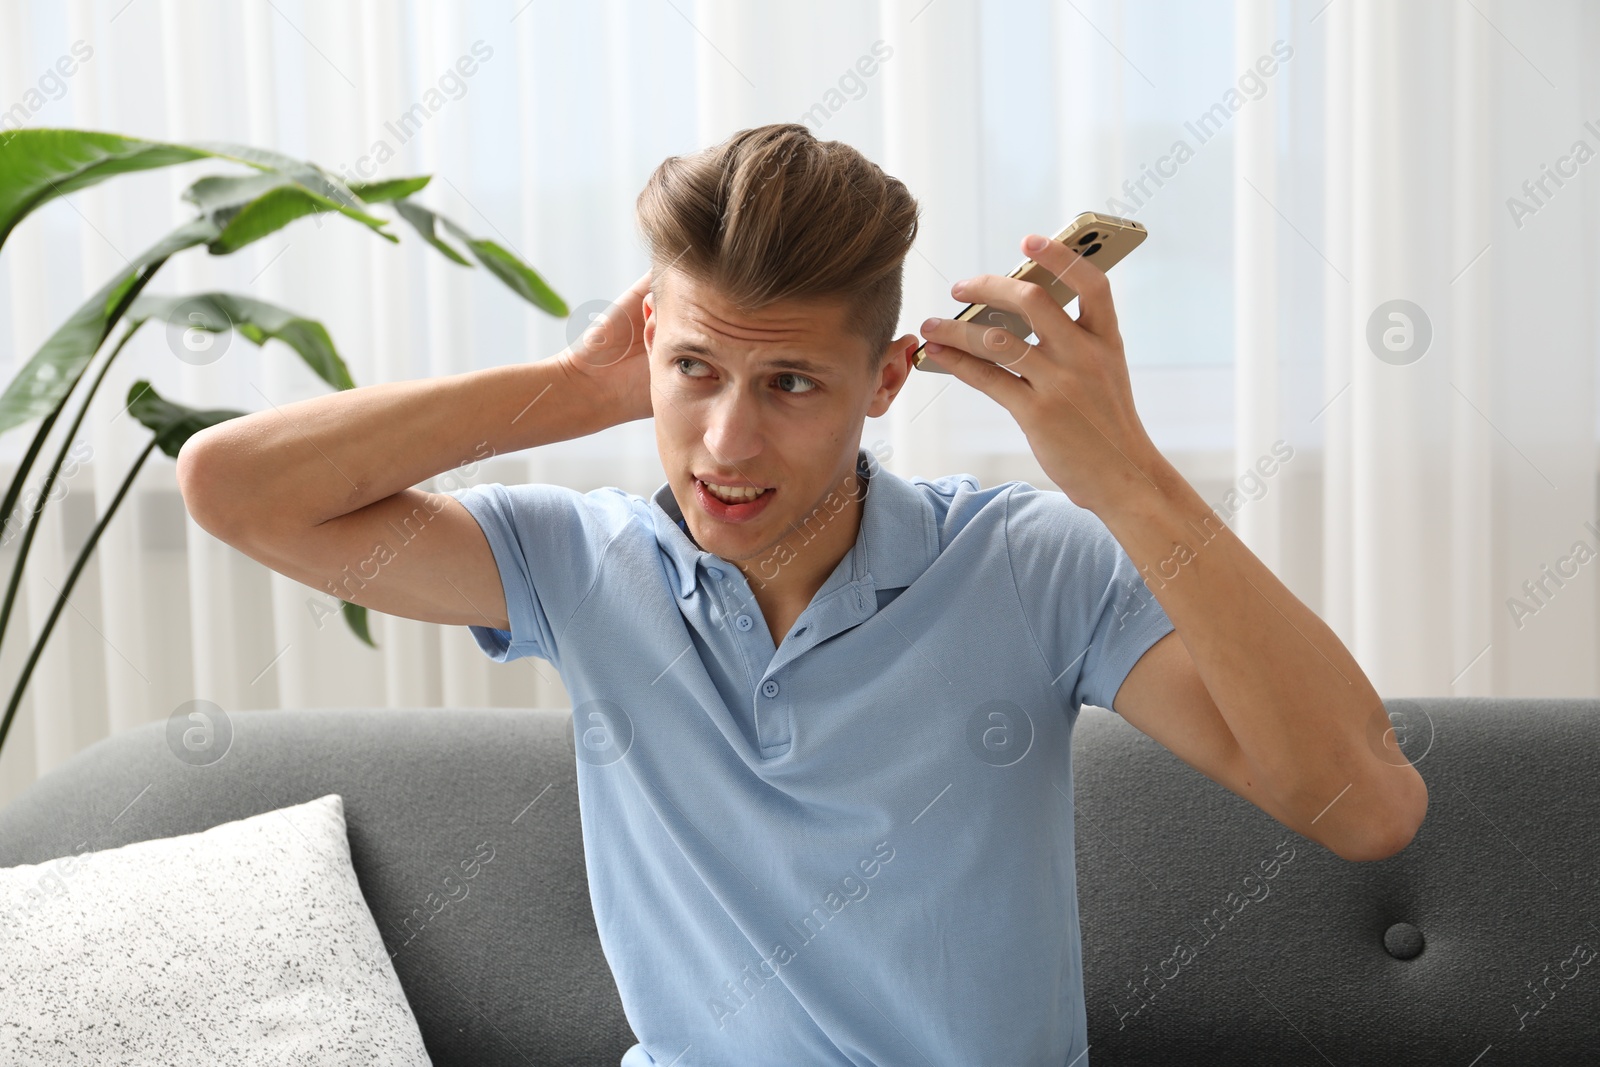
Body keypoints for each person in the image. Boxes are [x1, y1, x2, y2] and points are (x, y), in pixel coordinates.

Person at [177, 122, 1427, 1067]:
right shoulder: (576, 565)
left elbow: (1362, 806)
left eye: (789, 384)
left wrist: (1133, 478)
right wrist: (579, 386)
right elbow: (237, 489)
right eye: (694, 368)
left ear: (884, 380)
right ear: (649, 340)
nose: (724, 442)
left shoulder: (1031, 566)